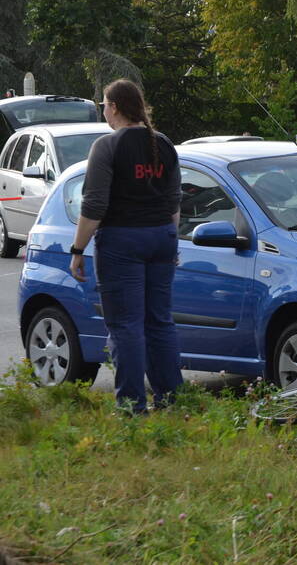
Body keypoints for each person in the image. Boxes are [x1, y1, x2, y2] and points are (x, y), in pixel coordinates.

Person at [69, 79, 183, 415]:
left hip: (122, 240)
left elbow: (94, 205)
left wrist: (78, 249)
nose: (102, 109)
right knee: (160, 322)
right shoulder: (163, 144)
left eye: (103, 104)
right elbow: (174, 201)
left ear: (115, 107)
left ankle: (133, 407)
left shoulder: (107, 146)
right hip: (162, 236)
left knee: (126, 325)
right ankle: (172, 400)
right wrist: (170, 242)